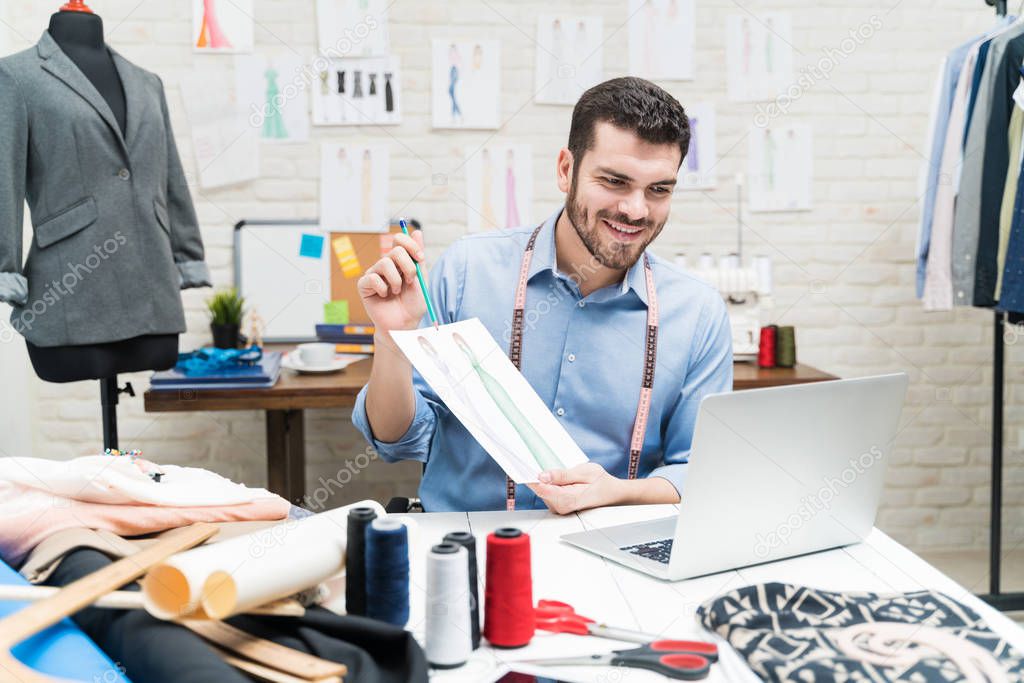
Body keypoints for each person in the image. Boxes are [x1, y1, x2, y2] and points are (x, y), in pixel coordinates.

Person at [353, 77, 732, 513]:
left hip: (611, 551)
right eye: (614, 181)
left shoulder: (697, 314)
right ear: (565, 170)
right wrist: (391, 340)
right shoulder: (466, 272)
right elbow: (398, 439)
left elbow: (697, 471)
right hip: (467, 542)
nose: (636, 210)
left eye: (659, 190)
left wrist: (618, 491)